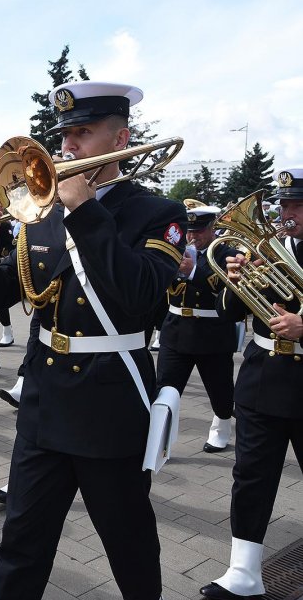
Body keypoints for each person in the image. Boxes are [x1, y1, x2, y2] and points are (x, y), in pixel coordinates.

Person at [0, 81, 186, 599]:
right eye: (65, 134)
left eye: (83, 133)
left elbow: (142, 296)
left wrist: (86, 210)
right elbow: (7, 291)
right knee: (20, 542)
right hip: (45, 399)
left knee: (128, 541)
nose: (68, 146)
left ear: (120, 138)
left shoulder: (157, 213)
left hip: (112, 400)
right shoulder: (39, 210)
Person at [200, 168, 303, 600]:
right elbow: (228, 313)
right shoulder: (271, 250)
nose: (285, 214)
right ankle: (243, 572)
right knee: (250, 476)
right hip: (263, 375)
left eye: (296, 205)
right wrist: (238, 278)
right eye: (282, 204)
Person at [157, 202, 240, 453]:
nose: (193, 236)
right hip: (175, 329)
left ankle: (220, 429)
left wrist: (193, 272)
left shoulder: (225, 253)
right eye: (189, 231)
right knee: (165, 390)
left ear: (213, 228)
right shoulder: (176, 249)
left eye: (199, 231)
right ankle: (161, 438)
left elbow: (224, 287)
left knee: (220, 387)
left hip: (212, 330)